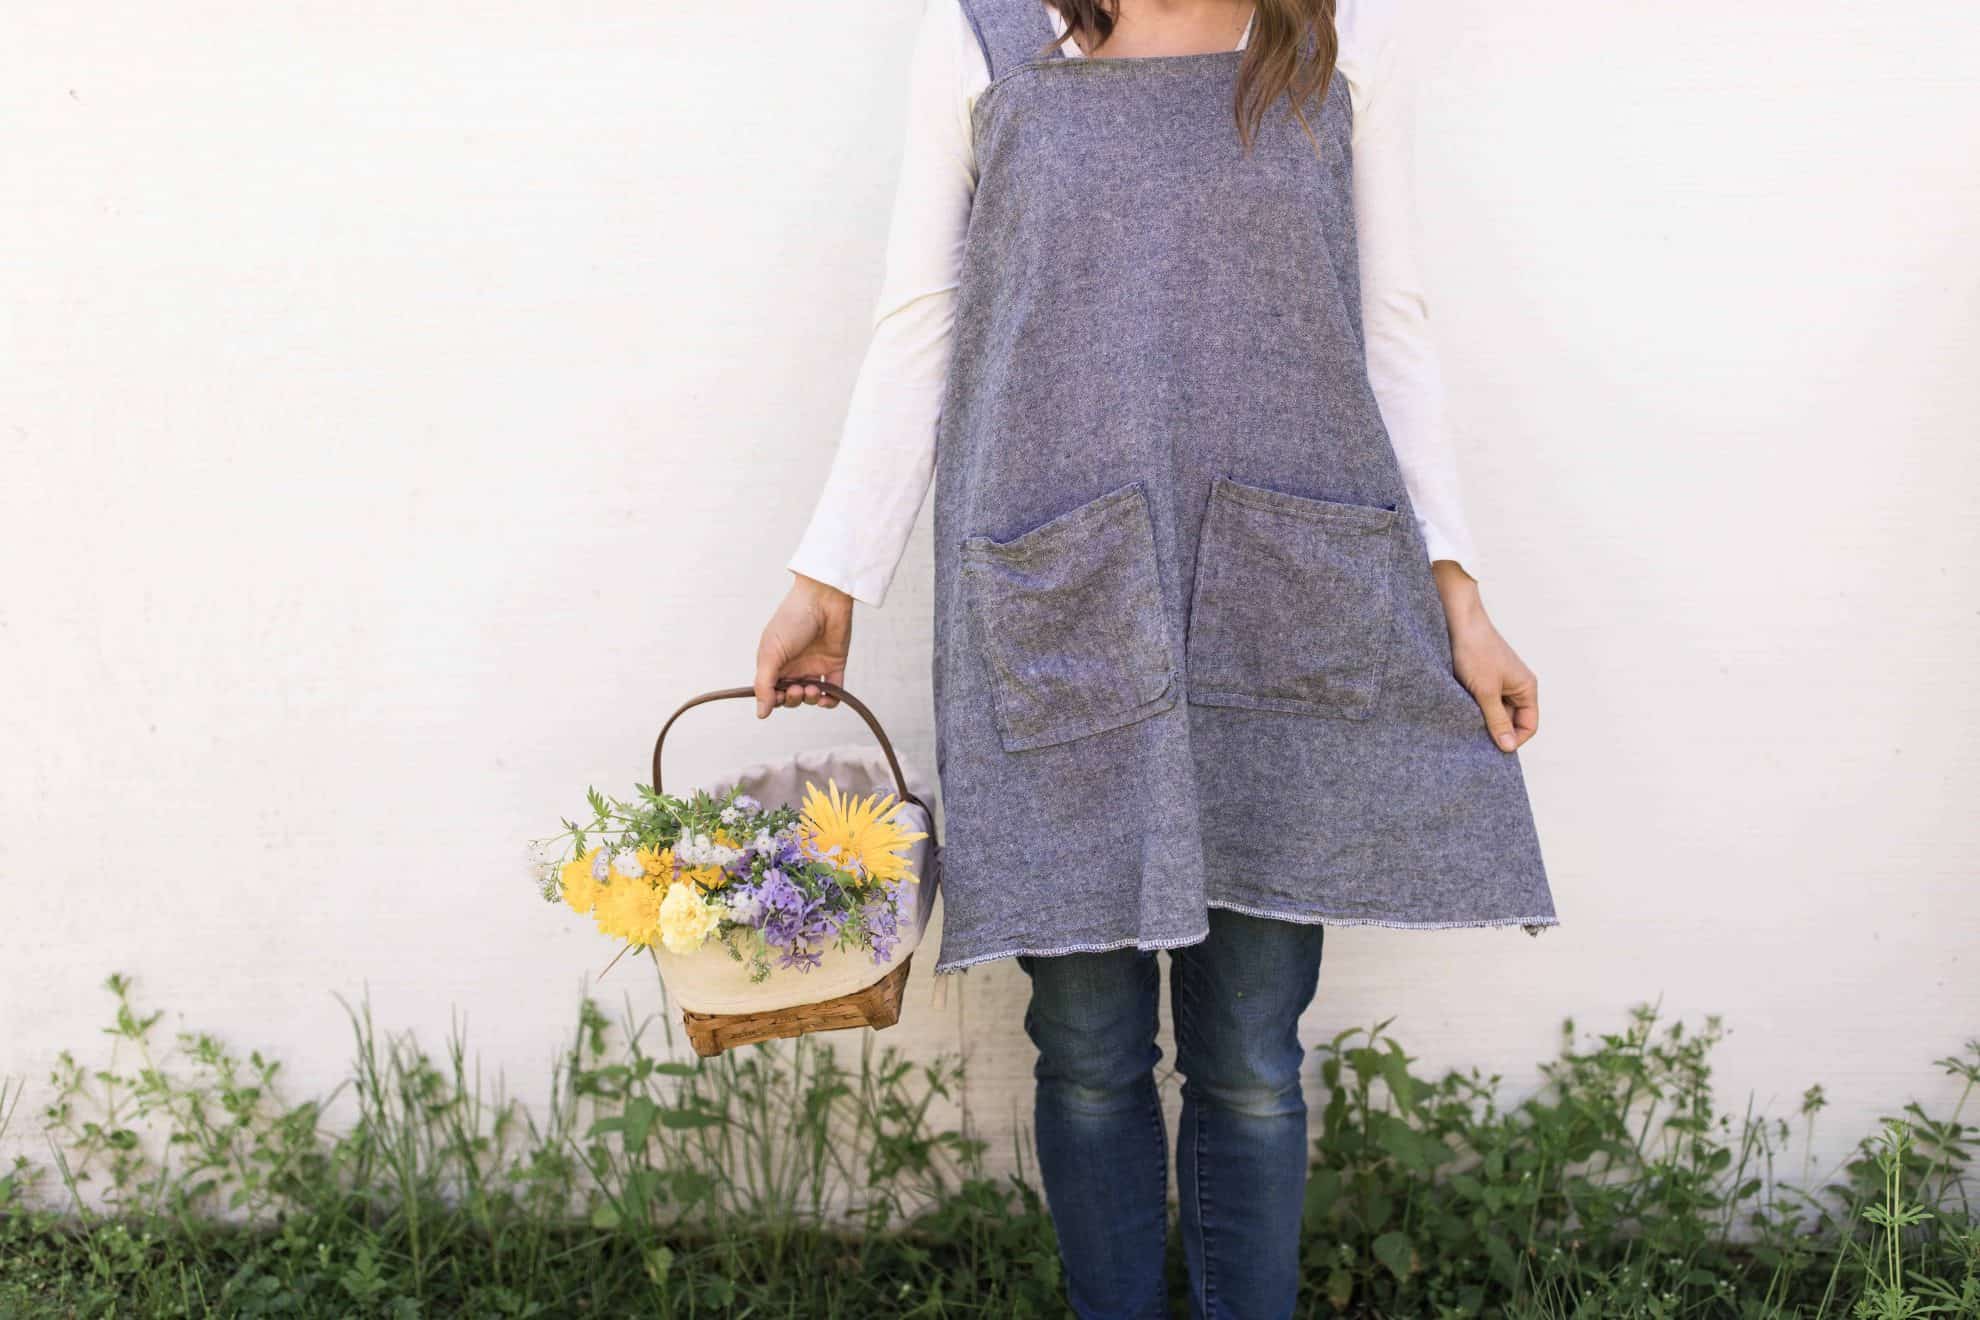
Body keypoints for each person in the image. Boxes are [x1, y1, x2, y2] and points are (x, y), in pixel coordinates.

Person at [753, 1, 1560, 1314]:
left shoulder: (1340, 40)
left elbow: (1390, 324)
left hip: (1278, 596)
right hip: (1049, 586)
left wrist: (1458, 598)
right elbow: (921, 320)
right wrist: (828, 574)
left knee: (1249, 1052)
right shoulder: (987, 37)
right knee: (1083, 1048)